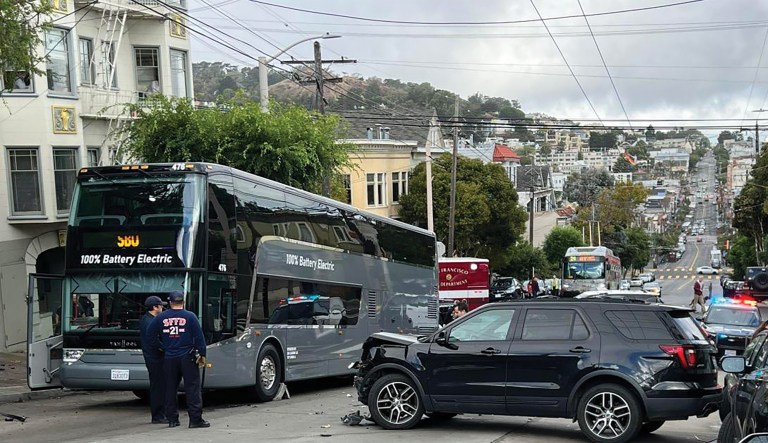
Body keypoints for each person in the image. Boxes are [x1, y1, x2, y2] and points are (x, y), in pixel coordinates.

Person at [147, 291, 210, 428]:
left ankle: (172, 420)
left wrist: (162, 347)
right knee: (192, 388)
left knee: (170, 388)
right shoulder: (190, 317)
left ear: (169, 302)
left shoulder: (160, 318)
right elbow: (199, 338)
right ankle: (195, 419)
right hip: (187, 355)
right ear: (184, 302)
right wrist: (202, 354)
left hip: (169, 357)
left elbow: (150, 335)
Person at [139, 295, 167, 424]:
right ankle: (158, 415)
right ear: (155, 307)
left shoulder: (148, 319)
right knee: (158, 387)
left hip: (154, 357)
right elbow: (154, 341)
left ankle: (161, 413)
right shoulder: (150, 322)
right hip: (155, 358)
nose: (162, 307)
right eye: (161, 305)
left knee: (160, 386)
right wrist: (166, 348)